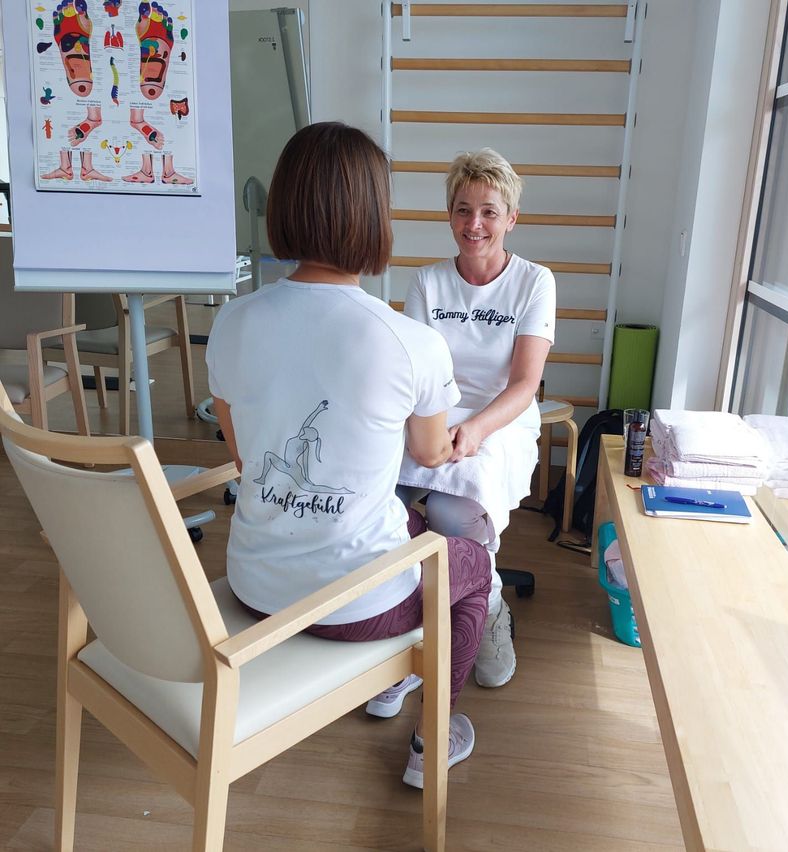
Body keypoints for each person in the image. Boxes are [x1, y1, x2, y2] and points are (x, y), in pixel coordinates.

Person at [205, 122, 492, 789]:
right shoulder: (409, 341)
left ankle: (391, 685)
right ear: (373, 217)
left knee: (409, 524)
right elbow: (429, 452)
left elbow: (245, 458)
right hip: (353, 608)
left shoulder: (232, 321)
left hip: (254, 585)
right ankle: (430, 739)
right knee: (474, 568)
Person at [395, 148, 556, 689]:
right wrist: (429, 429)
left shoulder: (535, 281)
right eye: (463, 210)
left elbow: (524, 385)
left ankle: (484, 609)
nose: (474, 224)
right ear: (449, 215)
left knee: (451, 511)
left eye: (489, 211)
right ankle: (404, 625)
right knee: (379, 499)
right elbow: (416, 377)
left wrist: (475, 430)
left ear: (511, 218)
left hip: (502, 417)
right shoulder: (427, 282)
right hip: (433, 411)